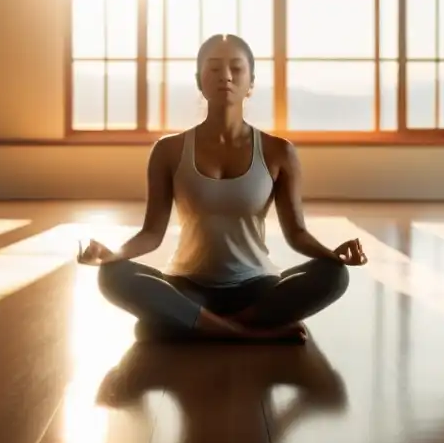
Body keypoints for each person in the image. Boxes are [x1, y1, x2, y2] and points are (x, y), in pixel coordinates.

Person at [77, 32, 368, 342]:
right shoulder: (169, 150)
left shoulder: (278, 152)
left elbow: (297, 233)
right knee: (112, 276)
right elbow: (151, 234)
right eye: (214, 68)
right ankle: (247, 334)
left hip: (257, 287)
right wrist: (113, 254)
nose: (225, 77)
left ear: (251, 83)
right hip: (187, 285)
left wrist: (333, 256)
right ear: (200, 80)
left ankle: (195, 326)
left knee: (334, 276)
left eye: (236, 69)